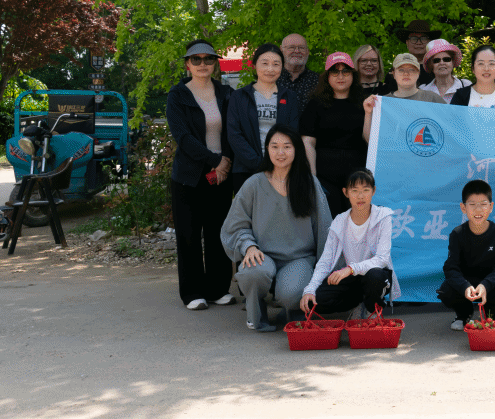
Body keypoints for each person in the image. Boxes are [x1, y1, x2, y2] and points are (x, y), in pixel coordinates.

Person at [221, 125, 332, 331]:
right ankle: (256, 310)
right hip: (262, 255)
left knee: (292, 293)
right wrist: (248, 246)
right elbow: (235, 226)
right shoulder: (253, 184)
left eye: (287, 146)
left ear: (296, 149)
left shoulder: (309, 183)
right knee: (252, 273)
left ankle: (291, 310)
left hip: (299, 258)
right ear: (267, 149)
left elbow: (324, 228)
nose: (280, 152)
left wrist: (325, 269)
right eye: (274, 146)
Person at [166, 40, 234, 311]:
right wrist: (216, 160)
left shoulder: (226, 93)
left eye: (208, 59)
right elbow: (183, 137)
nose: (203, 64)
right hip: (189, 175)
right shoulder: (178, 95)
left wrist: (225, 161)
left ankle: (218, 289)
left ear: (215, 63)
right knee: (189, 235)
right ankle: (192, 292)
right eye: (196, 59)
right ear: (187, 64)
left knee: (219, 232)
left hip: (222, 173)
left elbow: (234, 130)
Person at [300, 169, 399, 316]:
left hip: (376, 274)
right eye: (354, 191)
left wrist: (351, 269)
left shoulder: (383, 216)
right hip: (351, 278)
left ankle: (372, 310)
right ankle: (358, 304)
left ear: (373, 191)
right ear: (345, 192)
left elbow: (382, 259)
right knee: (314, 301)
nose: (360, 196)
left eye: (365, 190)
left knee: (375, 277)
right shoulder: (340, 221)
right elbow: (326, 261)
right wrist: (310, 289)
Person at [299, 53, 372, 216]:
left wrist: (368, 113)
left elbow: (369, 139)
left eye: (345, 71)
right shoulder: (315, 104)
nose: (340, 76)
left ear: (353, 75)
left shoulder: (365, 102)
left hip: (358, 177)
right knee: (329, 222)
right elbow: (308, 142)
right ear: (327, 76)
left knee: (357, 222)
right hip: (325, 176)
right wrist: (313, 177)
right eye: (335, 72)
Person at [438, 179, 495, 330]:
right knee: (446, 289)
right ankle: (463, 314)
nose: (478, 210)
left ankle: (490, 314)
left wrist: (486, 285)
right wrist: (464, 286)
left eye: (483, 204)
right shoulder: (457, 234)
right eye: (472, 204)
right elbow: (451, 267)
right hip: (467, 283)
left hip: (490, 283)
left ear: (491, 207)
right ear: (463, 207)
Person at [227, 43, 300, 194]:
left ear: (282, 67)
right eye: (265, 63)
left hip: (281, 168)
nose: (270, 69)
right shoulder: (239, 96)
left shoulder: (290, 97)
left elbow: (293, 133)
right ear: (254, 65)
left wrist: (277, 163)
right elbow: (234, 134)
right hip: (245, 170)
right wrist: (259, 164)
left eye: (276, 64)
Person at [277, 33, 319, 115]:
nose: (297, 51)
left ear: (307, 51)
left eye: (301, 48)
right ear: (281, 50)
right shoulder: (272, 79)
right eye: (291, 47)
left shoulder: (318, 81)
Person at [396, 19, 439, 85]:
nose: (418, 42)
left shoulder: (438, 68)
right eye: (414, 39)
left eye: (423, 38)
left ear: (429, 42)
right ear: (407, 42)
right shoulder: (397, 70)